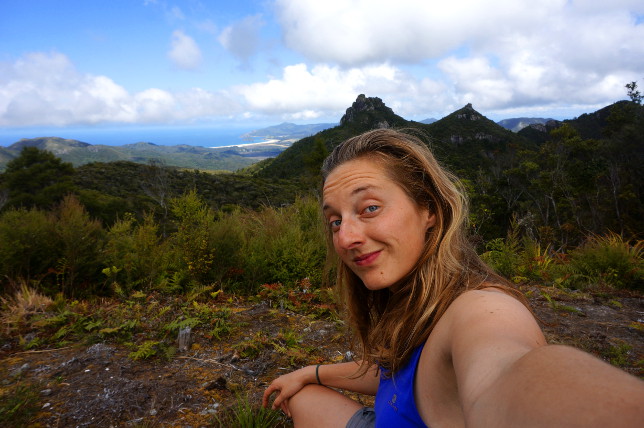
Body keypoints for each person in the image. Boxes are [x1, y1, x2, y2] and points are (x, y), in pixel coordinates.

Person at [262, 129, 644, 427]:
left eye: (371, 208)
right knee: (302, 396)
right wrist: (309, 373)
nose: (345, 238)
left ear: (428, 208)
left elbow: (504, 371)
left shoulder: (480, 308)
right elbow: (395, 373)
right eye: (335, 221)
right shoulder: (415, 299)